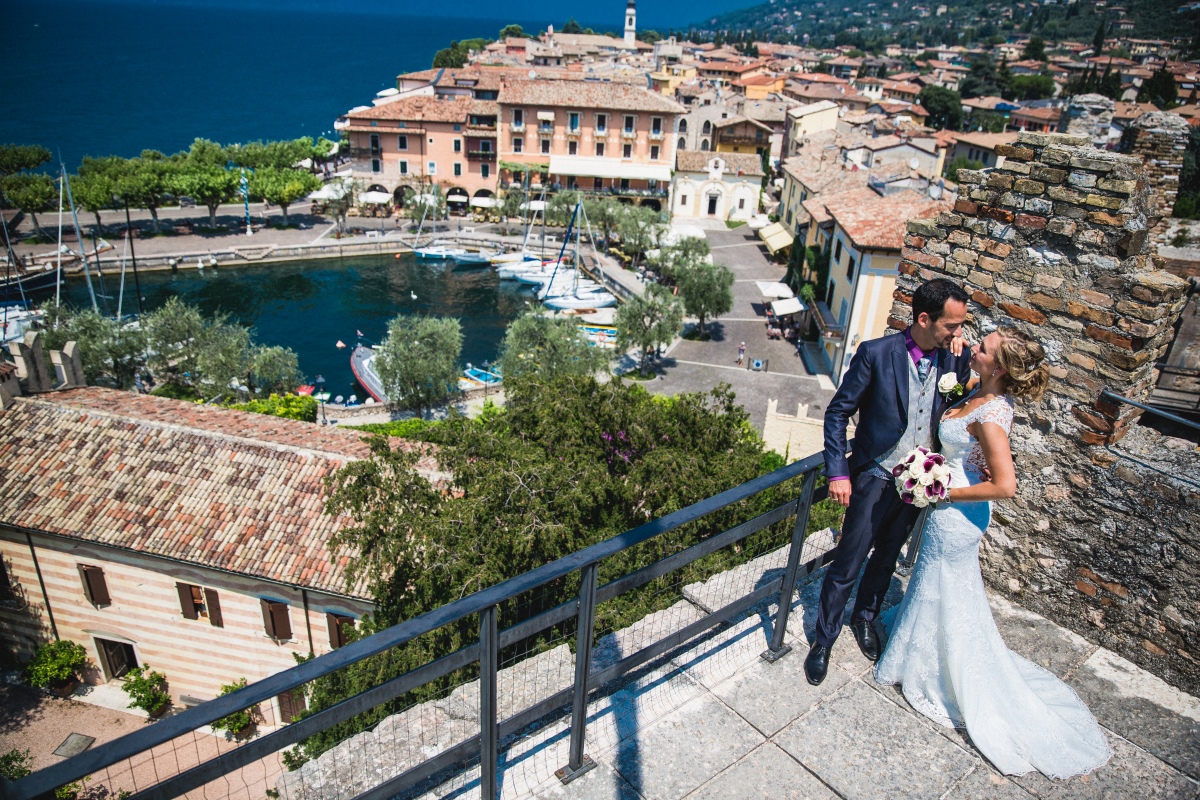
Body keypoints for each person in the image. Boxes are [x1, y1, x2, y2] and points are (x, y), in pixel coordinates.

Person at [874, 327, 1112, 779]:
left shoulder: (992, 413)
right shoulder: (980, 394)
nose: (974, 349)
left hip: (958, 511)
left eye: (981, 348)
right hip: (953, 502)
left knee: (944, 585)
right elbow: (969, 446)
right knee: (936, 586)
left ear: (999, 366)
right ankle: (923, 655)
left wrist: (944, 491)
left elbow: (1006, 485)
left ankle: (938, 672)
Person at [806, 278, 972, 686]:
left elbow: (964, 403)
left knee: (887, 558)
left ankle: (864, 619)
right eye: (952, 325)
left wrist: (962, 358)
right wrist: (838, 471)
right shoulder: (876, 354)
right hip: (873, 476)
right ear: (923, 319)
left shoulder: (955, 361)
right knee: (848, 560)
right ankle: (823, 640)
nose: (959, 334)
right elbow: (837, 413)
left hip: (920, 483)